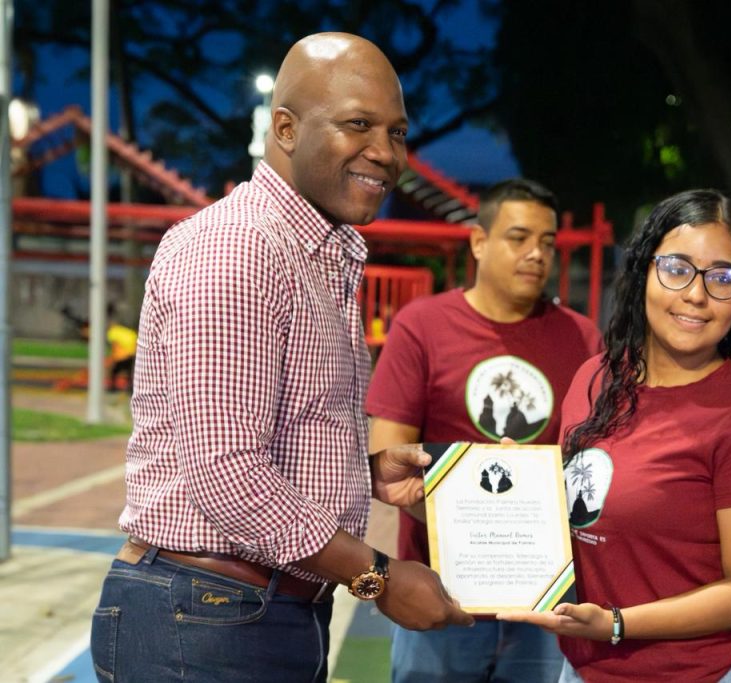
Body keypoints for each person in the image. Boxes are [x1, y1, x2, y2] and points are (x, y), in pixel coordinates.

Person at [90, 32, 472, 683]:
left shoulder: (314, 254)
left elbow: (269, 431)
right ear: (286, 128)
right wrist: (377, 575)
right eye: (358, 124)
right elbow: (232, 476)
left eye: (398, 132)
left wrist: (361, 468)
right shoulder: (240, 249)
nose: (385, 153)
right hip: (206, 618)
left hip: (244, 614)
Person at [498, 189, 731, 682]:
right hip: (584, 670)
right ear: (643, 273)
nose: (697, 294)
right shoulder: (594, 377)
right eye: (677, 268)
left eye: (722, 277)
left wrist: (617, 624)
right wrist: (515, 483)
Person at [366, 178, 603, 682]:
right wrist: (473, 529)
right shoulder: (421, 326)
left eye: (546, 242)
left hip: (547, 596)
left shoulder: (583, 338)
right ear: (479, 242)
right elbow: (386, 457)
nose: (536, 254)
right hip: (442, 590)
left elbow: (596, 460)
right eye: (518, 238)